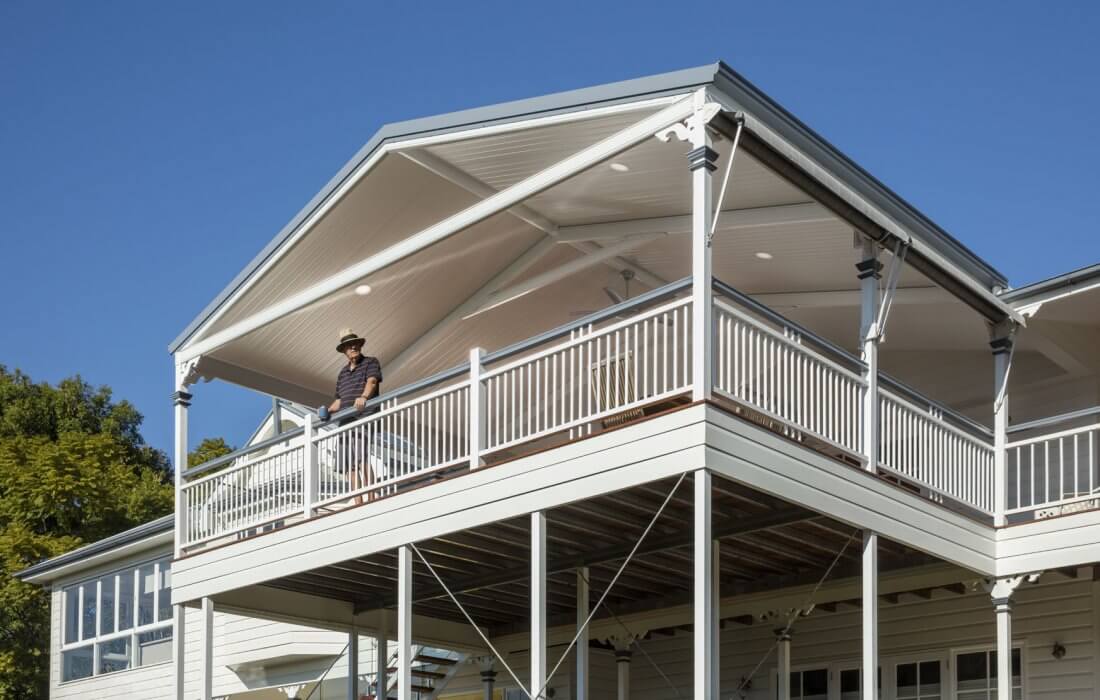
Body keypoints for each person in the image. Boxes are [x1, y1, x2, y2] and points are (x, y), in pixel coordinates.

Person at [326, 328, 382, 504]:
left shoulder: (370, 362)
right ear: (344, 350)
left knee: (360, 457)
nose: (353, 347)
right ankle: (358, 501)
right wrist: (327, 412)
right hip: (345, 420)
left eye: (355, 344)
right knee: (347, 462)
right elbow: (339, 401)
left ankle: (370, 498)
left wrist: (364, 397)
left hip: (362, 417)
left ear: (360, 345)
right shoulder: (342, 373)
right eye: (349, 346)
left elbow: (372, 381)